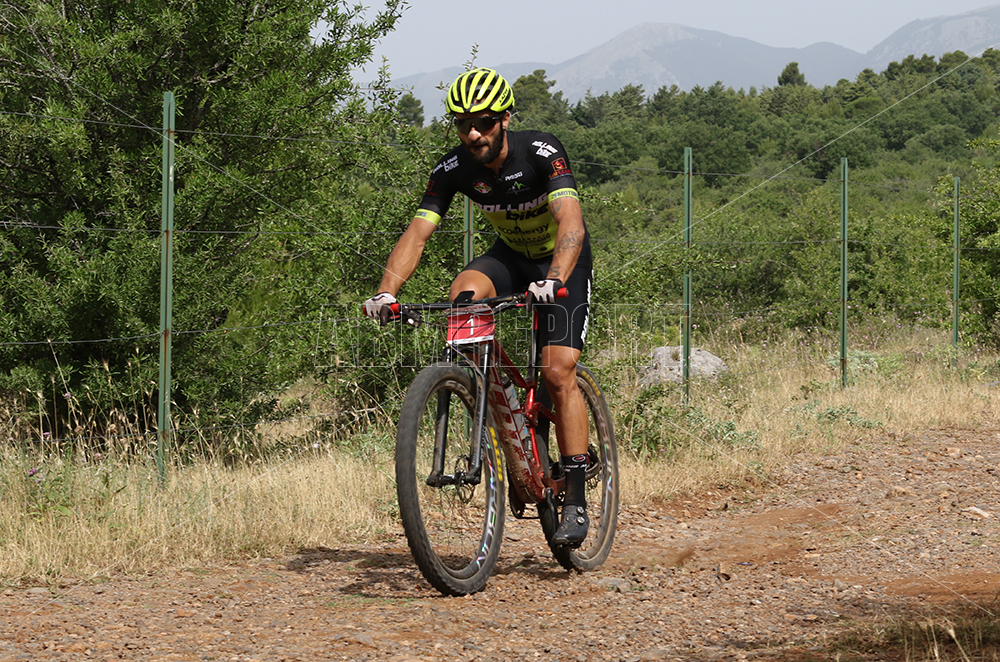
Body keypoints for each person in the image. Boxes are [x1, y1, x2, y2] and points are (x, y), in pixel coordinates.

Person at [364, 68, 593, 545]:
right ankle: (509, 432)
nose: (473, 133)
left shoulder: (541, 151)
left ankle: (574, 497)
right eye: (463, 123)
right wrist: (387, 292)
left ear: (504, 118)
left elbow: (570, 218)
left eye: (484, 122)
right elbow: (418, 231)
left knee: (556, 372)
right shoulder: (453, 169)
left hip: (560, 260)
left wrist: (554, 278)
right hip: (509, 257)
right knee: (462, 296)